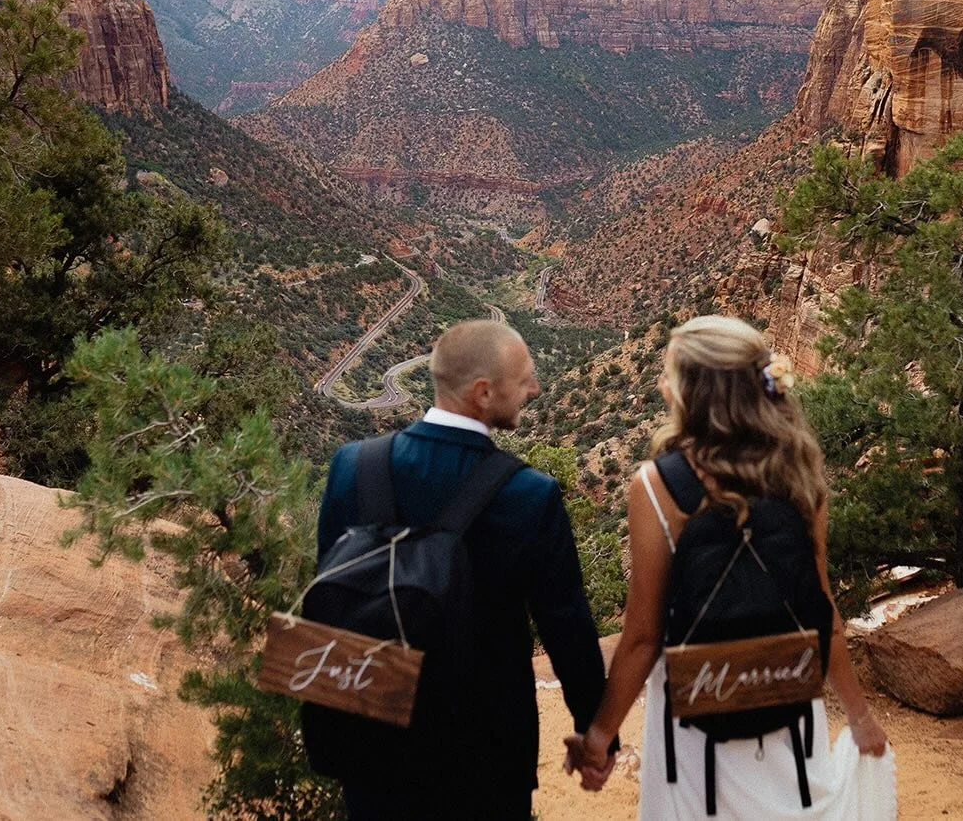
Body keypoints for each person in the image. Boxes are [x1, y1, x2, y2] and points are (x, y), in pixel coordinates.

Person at [564, 314, 890, 818]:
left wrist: (600, 736)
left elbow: (643, 636)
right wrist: (860, 715)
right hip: (784, 699)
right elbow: (822, 609)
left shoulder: (656, 487)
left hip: (694, 718)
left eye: (669, 373)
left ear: (696, 392)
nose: (659, 384)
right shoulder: (799, 475)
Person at [315, 319, 610, 819]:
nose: (536, 389)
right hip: (485, 759)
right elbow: (568, 629)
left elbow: (328, 590)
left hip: (371, 743)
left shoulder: (352, 465)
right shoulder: (528, 495)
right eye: (526, 379)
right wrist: (597, 734)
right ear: (483, 393)